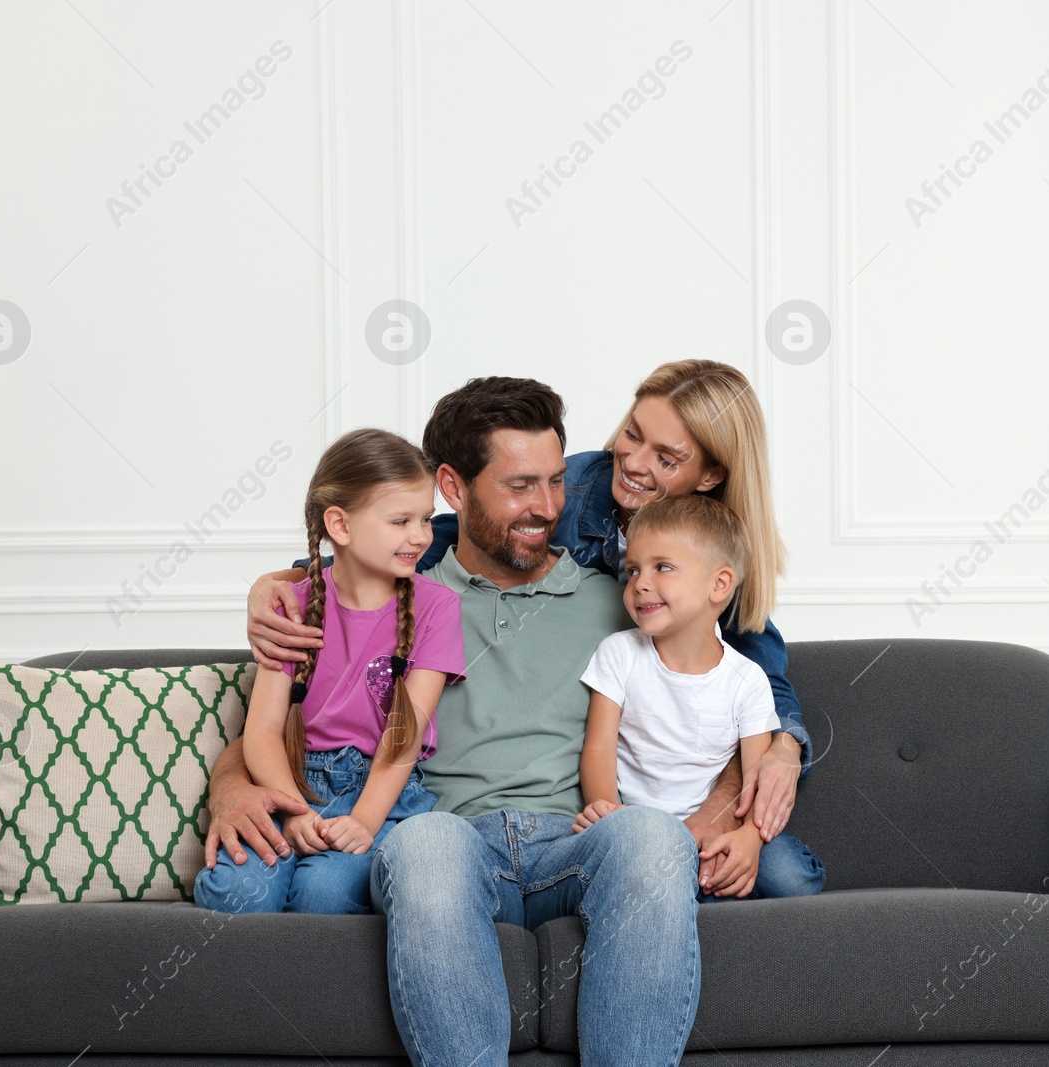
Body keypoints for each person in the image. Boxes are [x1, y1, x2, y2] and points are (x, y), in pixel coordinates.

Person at [204, 378, 705, 1066]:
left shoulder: (621, 599)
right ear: (453, 487)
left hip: (575, 844)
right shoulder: (406, 597)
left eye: (557, 482)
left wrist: (757, 776)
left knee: (652, 835)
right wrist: (229, 779)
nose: (548, 507)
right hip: (453, 841)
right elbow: (303, 704)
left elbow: (721, 685)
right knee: (425, 843)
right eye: (521, 485)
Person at [245, 360, 811, 875]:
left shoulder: (702, 572)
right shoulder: (580, 490)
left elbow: (754, 680)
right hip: (462, 827)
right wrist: (289, 580)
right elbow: (454, 533)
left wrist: (781, 750)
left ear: (710, 477)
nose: (634, 464)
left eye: (667, 458)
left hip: (632, 813)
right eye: (631, 435)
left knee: (786, 875)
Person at [193, 428, 465, 915]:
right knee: (239, 894)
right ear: (339, 524)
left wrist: (362, 821)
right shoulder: (291, 606)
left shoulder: (438, 607)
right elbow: (262, 730)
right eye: (401, 520)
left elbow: (403, 737)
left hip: (379, 794)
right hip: (290, 780)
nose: (422, 535)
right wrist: (292, 809)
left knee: (325, 894)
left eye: (426, 518)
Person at [574, 494, 825, 902]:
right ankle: (694, 889)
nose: (640, 583)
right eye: (633, 569)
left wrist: (749, 839)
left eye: (663, 567)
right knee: (634, 873)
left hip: (717, 830)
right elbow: (599, 748)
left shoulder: (747, 680)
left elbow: (752, 776)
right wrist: (607, 812)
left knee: (790, 876)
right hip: (641, 831)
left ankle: (701, 883)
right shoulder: (618, 653)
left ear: (719, 584)